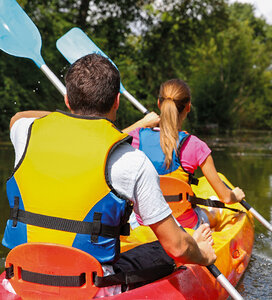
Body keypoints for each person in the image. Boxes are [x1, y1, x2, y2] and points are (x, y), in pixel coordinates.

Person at [2, 54, 216, 297]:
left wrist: (65, 116)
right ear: (117, 101)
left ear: (67, 100)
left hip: (19, 276)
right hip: (89, 287)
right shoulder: (131, 160)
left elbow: (18, 118)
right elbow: (176, 247)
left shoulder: (24, 133)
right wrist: (201, 253)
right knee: (169, 248)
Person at [126, 78, 245, 229]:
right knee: (213, 212)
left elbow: (110, 141)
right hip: (184, 226)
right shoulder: (196, 146)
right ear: (188, 107)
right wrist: (236, 195)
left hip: (144, 223)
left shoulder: (137, 137)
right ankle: (213, 215)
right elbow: (226, 197)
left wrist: (141, 123)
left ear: (158, 104)